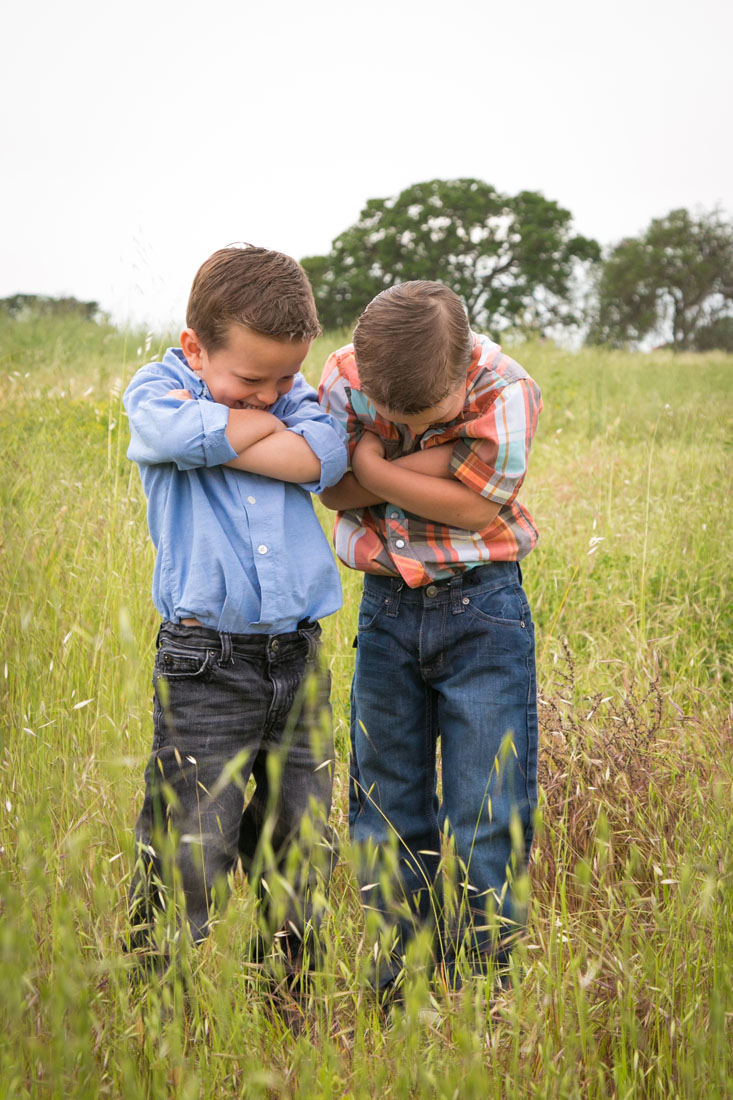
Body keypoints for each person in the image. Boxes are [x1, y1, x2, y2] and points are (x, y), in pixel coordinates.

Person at [123, 245, 347, 986]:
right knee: (191, 841)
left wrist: (222, 430)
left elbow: (325, 456)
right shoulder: (156, 387)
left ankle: (288, 996)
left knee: (302, 837)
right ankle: (159, 1003)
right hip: (204, 661)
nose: (272, 392)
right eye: (251, 379)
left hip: (295, 655)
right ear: (195, 347)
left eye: (289, 377)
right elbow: (172, 435)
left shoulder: (288, 397)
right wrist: (257, 431)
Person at [318, 281, 542, 1001]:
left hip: (484, 610)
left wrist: (376, 467)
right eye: (387, 418)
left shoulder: (505, 387)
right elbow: (330, 490)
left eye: (426, 421)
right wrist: (439, 460)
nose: (399, 423)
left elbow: (476, 508)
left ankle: (484, 991)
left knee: (486, 809)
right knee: (386, 805)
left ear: (462, 369)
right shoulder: (342, 377)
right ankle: (402, 987)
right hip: (386, 608)